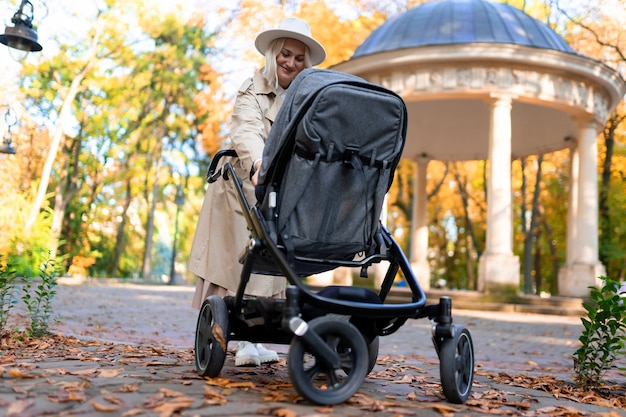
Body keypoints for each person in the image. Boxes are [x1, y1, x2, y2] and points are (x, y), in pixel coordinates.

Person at [187, 17, 326, 367]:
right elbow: (245, 130)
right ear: (273, 54)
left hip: (282, 189)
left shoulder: (306, 98)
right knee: (239, 259)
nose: (291, 63)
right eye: (285, 54)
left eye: (298, 58)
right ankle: (240, 336)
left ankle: (257, 337)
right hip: (241, 185)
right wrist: (259, 163)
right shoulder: (252, 88)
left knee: (275, 257)